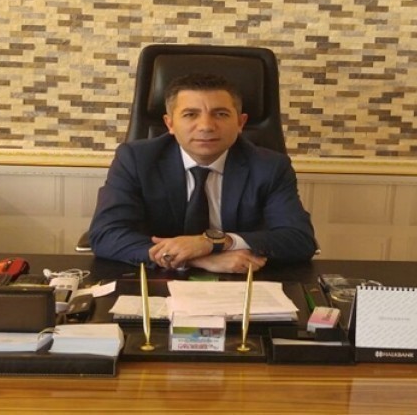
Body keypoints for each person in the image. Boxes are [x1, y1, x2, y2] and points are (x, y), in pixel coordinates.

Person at [88, 73, 317, 274]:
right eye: (190, 114)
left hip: (240, 282)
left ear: (240, 122)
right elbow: (106, 234)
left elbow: (299, 239)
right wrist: (199, 259)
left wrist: (215, 242)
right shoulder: (135, 160)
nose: (206, 126)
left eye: (221, 114)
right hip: (155, 282)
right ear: (170, 124)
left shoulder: (270, 166)